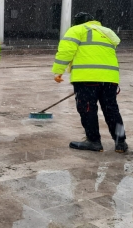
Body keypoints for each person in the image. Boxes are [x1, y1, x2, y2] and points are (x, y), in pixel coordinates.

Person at [52, 12, 128, 153]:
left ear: (77, 22)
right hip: (110, 78)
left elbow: (66, 51)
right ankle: (121, 142)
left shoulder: (77, 30)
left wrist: (58, 71)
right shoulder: (107, 32)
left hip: (87, 77)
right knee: (112, 110)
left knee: (87, 109)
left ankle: (93, 141)